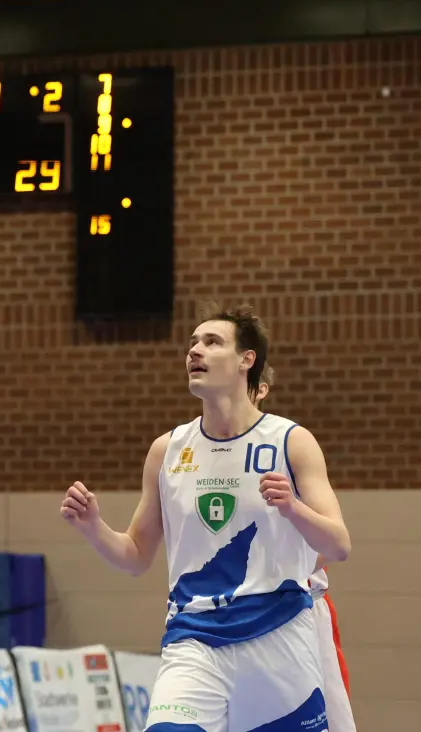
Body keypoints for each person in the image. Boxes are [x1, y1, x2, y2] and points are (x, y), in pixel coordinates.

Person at [60, 304, 351, 732]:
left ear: (246, 360)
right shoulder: (168, 449)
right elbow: (137, 555)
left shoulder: (292, 441)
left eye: (211, 342)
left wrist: (293, 508)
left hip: (278, 637)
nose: (195, 351)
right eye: (192, 343)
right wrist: (93, 528)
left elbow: (338, 545)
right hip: (193, 638)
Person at [253, 366, 354, 732]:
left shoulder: (287, 444)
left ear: (259, 388)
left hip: (299, 607)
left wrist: (276, 571)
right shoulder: (200, 454)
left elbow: (336, 542)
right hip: (233, 617)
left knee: (328, 721)